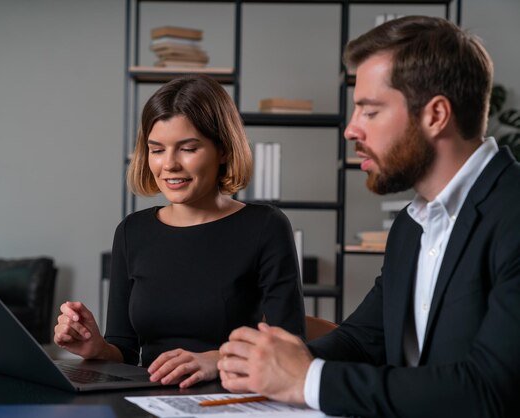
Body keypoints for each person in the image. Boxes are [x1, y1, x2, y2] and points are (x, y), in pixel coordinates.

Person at [218, 15, 520, 417]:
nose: (351, 130)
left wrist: (305, 379)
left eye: (369, 111)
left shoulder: (512, 213)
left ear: (435, 115)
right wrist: (263, 365)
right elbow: (364, 340)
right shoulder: (412, 225)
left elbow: (491, 389)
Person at [54, 74, 305, 389]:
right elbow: (126, 350)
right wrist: (97, 348)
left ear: (224, 150)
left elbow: (290, 343)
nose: (169, 164)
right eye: (157, 150)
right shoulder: (132, 231)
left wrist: (218, 359)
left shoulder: (265, 225)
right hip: (146, 399)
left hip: (230, 398)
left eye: (187, 148)